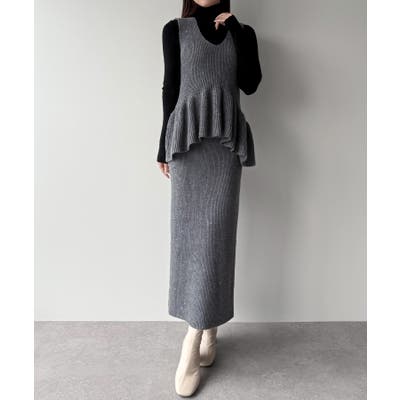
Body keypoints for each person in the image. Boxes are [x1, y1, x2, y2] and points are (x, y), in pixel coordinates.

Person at [156, 0, 262, 396]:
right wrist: (161, 146)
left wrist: (235, 30)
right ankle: (199, 330)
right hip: (186, 143)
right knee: (188, 240)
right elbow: (170, 88)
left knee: (217, 240)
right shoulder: (174, 30)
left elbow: (250, 83)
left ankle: (200, 332)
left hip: (224, 146)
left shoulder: (243, 33)